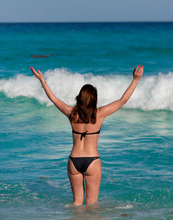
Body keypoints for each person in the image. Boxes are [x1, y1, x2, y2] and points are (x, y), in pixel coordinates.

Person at [30, 65, 144, 205]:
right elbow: (122, 101)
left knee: (76, 203)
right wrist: (136, 80)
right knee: (92, 205)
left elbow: (54, 99)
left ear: (79, 98)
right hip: (92, 161)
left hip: (74, 161)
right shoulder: (99, 114)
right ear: (94, 99)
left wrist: (42, 80)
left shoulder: (71, 114)